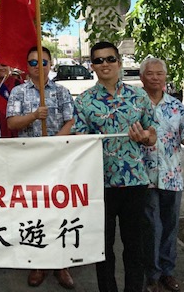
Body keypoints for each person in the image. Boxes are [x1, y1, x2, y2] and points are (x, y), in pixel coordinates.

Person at [73, 42, 159, 292]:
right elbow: (79, 140)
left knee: (135, 247)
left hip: (135, 182)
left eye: (110, 59)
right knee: (103, 248)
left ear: (119, 62)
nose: (105, 64)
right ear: (92, 66)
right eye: (98, 60)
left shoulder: (139, 97)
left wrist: (145, 137)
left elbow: (153, 134)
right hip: (100, 184)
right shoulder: (84, 101)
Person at [6, 46, 75, 289]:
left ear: (50, 63)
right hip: (29, 162)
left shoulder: (62, 91)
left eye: (43, 62)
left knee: (59, 210)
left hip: (57, 159)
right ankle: (38, 262)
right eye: (33, 63)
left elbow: (71, 121)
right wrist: (34, 116)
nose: (38, 66)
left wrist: (53, 145)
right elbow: (12, 123)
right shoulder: (18, 92)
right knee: (34, 211)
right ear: (27, 66)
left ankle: (61, 263)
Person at [139, 57, 184, 292]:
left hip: (172, 176)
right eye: (150, 73)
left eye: (160, 73)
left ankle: (167, 272)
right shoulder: (135, 105)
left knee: (170, 227)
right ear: (142, 77)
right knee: (151, 227)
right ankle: (152, 275)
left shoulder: (176, 106)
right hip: (145, 176)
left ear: (165, 77)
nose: (155, 77)